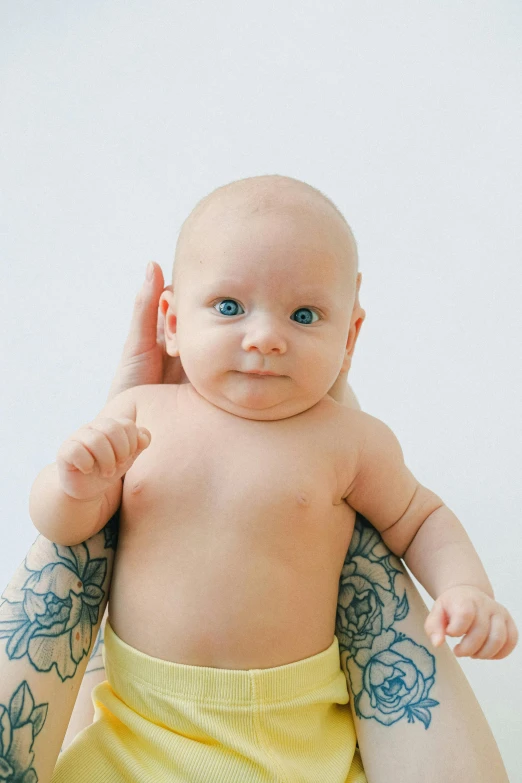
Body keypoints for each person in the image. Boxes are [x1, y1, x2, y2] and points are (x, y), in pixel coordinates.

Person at [0, 176, 513, 783]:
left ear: (349, 338)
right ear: (169, 320)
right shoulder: (140, 412)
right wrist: (75, 483)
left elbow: (421, 519)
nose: (265, 338)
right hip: (139, 728)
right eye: (228, 307)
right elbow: (64, 530)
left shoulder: (349, 440)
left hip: (296, 736)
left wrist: (466, 590)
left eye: (303, 315)